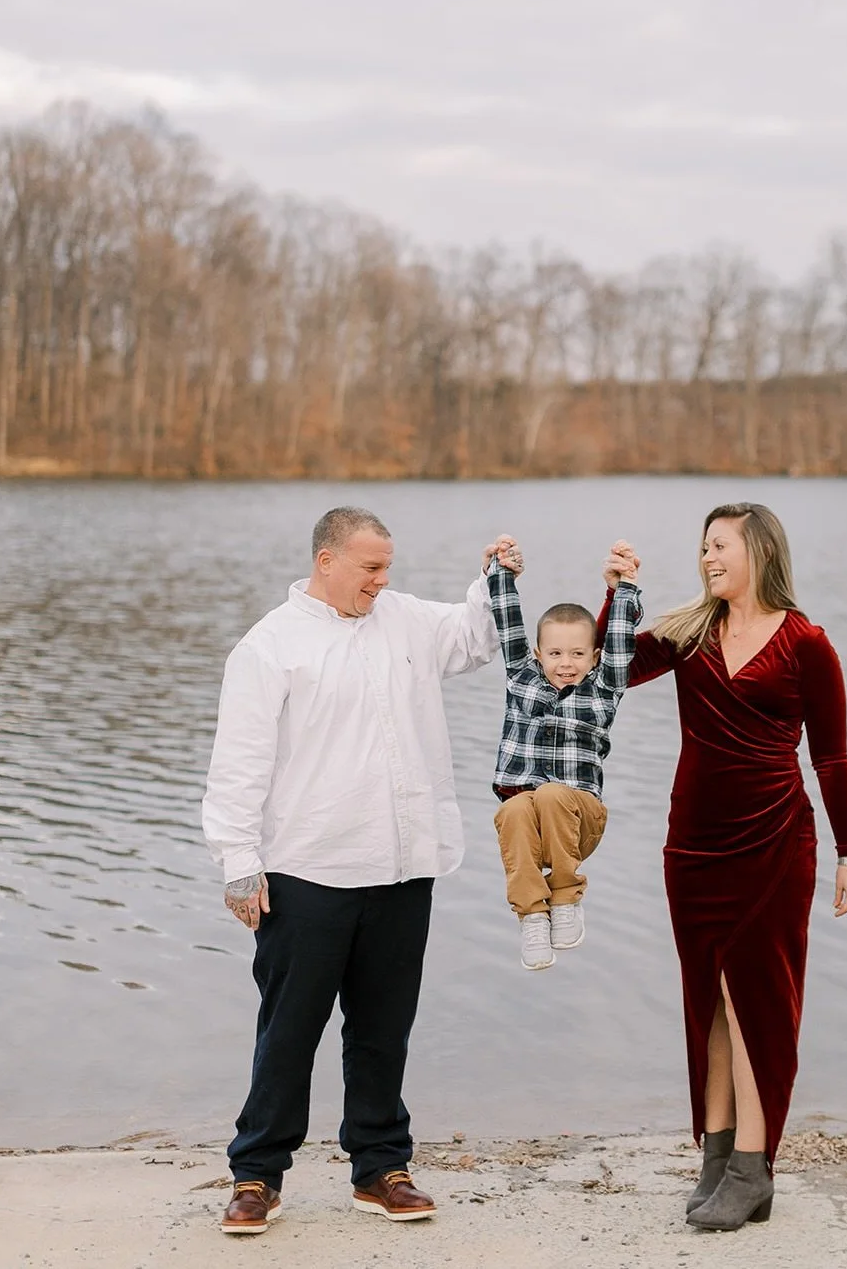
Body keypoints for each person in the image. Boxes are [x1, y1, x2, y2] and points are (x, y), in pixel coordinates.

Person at [201, 506, 509, 1235]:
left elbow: (473, 639)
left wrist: (492, 581)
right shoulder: (268, 647)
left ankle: (379, 1168)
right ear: (326, 562)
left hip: (404, 865)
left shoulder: (403, 619)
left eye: (387, 567)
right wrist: (238, 865)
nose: (382, 580)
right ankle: (256, 1175)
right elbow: (237, 767)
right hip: (306, 870)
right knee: (289, 1030)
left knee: (382, 1027)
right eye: (371, 567)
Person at [597, 509, 847, 1231]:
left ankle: (753, 1164)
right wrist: (618, 594)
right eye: (704, 546)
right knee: (707, 998)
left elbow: (831, 757)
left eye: (719, 545)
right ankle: (717, 1156)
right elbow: (606, 671)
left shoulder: (806, 643)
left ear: (757, 551)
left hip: (774, 842)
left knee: (756, 1001)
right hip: (692, 842)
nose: (707, 557)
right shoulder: (688, 632)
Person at [487, 541, 643, 971]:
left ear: (594, 658)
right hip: (528, 831)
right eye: (555, 654)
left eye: (577, 654)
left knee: (554, 793)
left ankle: (567, 896)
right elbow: (508, 623)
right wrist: (502, 573)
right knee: (517, 806)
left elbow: (620, 642)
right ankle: (533, 916)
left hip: (579, 822)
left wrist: (626, 586)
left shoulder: (604, 688)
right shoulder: (522, 677)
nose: (566, 663)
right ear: (538, 655)